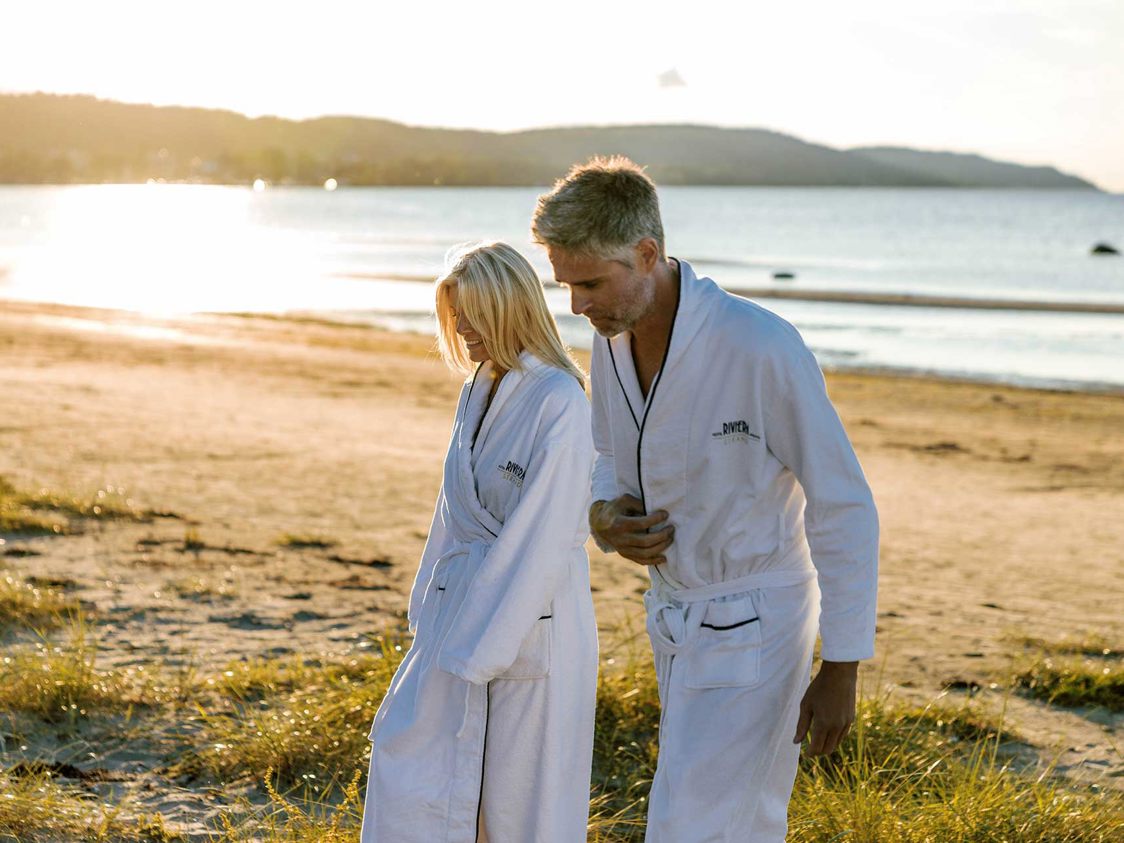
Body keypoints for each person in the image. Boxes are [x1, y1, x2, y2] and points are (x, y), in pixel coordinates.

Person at [531, 157, 879, 842]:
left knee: (687, 822)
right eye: (565, 285)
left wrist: (842, 664)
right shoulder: (612, 338)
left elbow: (843, 502)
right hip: (673, 618)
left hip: (759, 620)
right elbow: (606, 456)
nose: (576, 305)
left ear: (647, 253)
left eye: (591, 283)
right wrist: (603, 518)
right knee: (734, 824)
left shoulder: (759, 344)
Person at [360, 241, 598, 843]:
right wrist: (430, 610)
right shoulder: (478, 387)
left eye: (470, 313)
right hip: (464, 608)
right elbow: (452, 511)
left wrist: (481, 647)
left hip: (533, 623)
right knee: (431, 779)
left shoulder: (560, 401)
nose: (461, 328)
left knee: (523, 808)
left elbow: (543, 536)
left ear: (508, 308)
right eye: (454, 315)